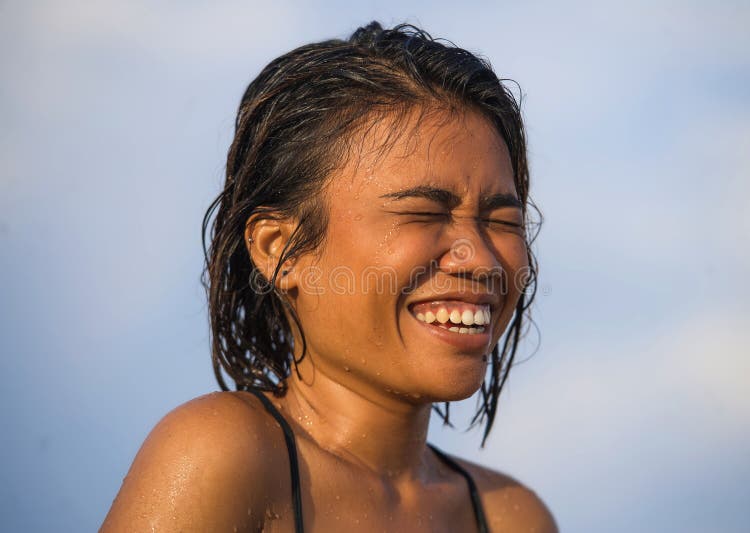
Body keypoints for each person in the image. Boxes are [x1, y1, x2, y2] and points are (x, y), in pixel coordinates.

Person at [101, 21, 557, 532]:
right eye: (424, 213)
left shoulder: (510, 517)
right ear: (279, 250)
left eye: (503, 221)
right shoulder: (226, 458)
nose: (482, 260)